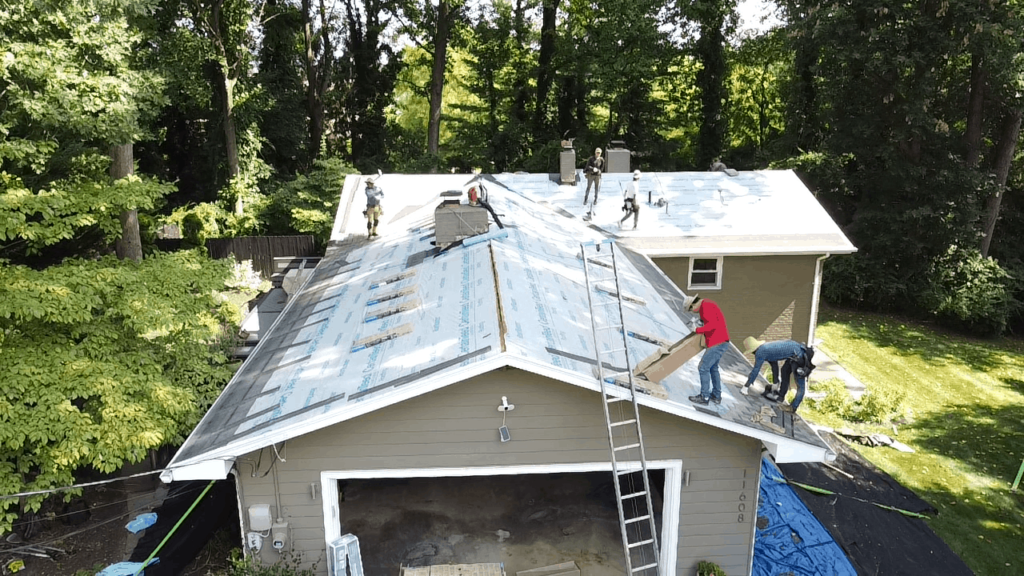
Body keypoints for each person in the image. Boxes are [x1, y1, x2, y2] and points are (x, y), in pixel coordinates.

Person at [742, 336, 809, 412]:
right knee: (784, 370)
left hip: (799, 356)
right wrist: (775, 383)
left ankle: (793, 407)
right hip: (794, 353)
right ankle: (781, 397)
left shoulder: (760, 352)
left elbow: (756, 369)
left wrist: (746, 386)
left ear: (754, 350)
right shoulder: (767, 349)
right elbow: (774, 366)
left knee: (800, 383)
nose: (753, 354)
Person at [686, 295, 730, 406]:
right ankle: (716, 395)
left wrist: (697, 329)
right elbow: (711, 320)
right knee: (713, 368)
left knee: (703, 367)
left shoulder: (705, 306)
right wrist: (701, 321)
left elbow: (713, 324)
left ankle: (704, 396)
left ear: (693, 304)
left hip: (717, 342)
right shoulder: (707, 305)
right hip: (721, 341)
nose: (693, 312)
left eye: (691, 310)